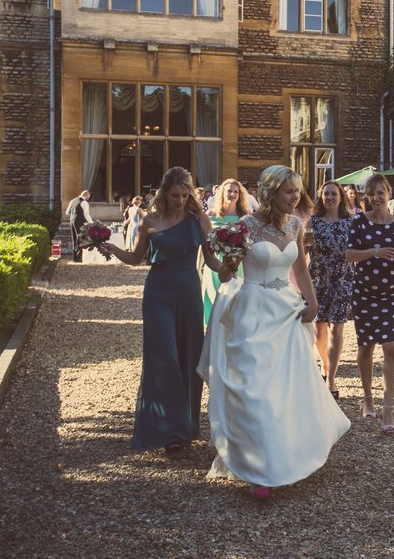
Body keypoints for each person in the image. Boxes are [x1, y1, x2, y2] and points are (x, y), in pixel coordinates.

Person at [199, 165, 350, 498]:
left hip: (286, 310)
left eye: (297, 191)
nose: (295, 197)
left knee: (285, 388)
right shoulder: (245, 227)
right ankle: (257, 469)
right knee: (252, 386)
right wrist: (225, 261)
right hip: (252, 310)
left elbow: (299, 267)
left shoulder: (296, 224)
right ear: (270, 194)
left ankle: (283, 456)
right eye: (288, 191)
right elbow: (226, 275)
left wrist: (311, 302)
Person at [101, 167, 224, 453]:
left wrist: (232, 268)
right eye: (175, 195)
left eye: (185, 195)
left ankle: (184, 428)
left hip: (189, 293)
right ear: (164, 193)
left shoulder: (199, 220)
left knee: (188, 356)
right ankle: (166, 427)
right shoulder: (149, 220)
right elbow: (135, 257)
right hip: (158, 292)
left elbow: (212, 261)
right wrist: (112, 249)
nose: (180, 200)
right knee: (164, 357)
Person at [345, 173, 394, 433]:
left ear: (389, 193)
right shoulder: (359, 222)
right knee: (366, 347)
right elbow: (349, 254)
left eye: (380, 193)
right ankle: (368, 398)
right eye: (371, 194)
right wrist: (374, 252)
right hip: (364, 292)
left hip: (392, 292)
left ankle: (388, 408)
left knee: (391, 347)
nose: (376, 198)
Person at [309, 180, 353, 399]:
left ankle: (332, 379)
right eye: (326, 194)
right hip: (318, 278)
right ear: (321, 197)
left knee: (337, 329)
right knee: (319, 330)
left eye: (333, 194)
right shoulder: (313, 222)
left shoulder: (350, 222)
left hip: (343, 279)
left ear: (341, 197)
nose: (330, 198)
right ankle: (324, 367)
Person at [201, 179, 251, 325]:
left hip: (238, 263)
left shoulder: (246, 216)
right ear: (222, 192)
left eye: (236, 191)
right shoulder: (211, 214)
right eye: (229, 190)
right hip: (215, 262)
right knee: (216, 296)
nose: (232, 194)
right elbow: (206, 240)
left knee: (235, 300)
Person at [66, 190, 92, 263]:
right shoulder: (84, 202)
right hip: (79, 221)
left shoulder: (72, 200)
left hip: (72, 221)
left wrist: (73, 215)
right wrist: (92, 223)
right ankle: (79, 258)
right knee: (80, 238)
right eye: (88, 197)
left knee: (74, 239)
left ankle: (75, 257)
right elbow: (86, 214)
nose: (88, 199)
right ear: (86, 195)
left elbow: (67, 212)